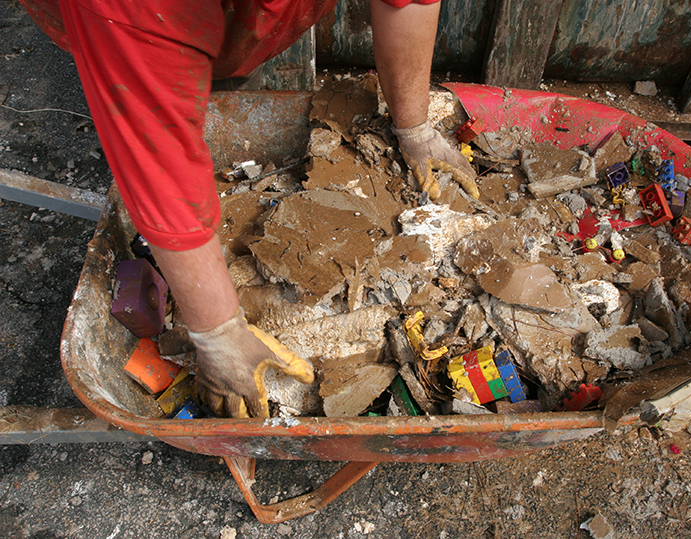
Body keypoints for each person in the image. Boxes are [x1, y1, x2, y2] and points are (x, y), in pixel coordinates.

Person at [20, 0, 477, 418]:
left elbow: (408, 2)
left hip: (223, 19)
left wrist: (414, 126)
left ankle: (219, 74)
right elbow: (156, 154)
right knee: (166, 113)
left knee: (223, 90)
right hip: (133, 25)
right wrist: (215, 332)